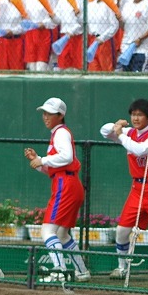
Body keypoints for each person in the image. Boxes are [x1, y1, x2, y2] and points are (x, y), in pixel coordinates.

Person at [101, 98, 148, 277]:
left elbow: (140, 150)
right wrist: (117, 126)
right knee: (122, 231)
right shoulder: (130, 132)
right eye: (133, 114)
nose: (136, 118)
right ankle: (122, 267)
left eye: (140, 115)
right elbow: (104, 131)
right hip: (137, 188)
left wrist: (121, 135)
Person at [25, 97, 89, 281]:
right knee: (62, 234)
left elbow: (67, 157)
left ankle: (60, 270)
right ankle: (82, 272)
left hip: (66, 185)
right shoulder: (58, 133)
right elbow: (55, 169)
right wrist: (38, 162)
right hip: (68, 183)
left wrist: (43, 159)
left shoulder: (60, 132)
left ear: (60, 116)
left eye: (50, 114)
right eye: (44, 113)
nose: (45, 117)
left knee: (47, 231)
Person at [117, 0, 148, 72]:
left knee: (139, 75)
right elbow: (123, 27)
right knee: (126, 76)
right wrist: (119, 21)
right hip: (126, 47)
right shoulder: (127, 5)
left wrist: (140, 39)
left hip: (142, 49)